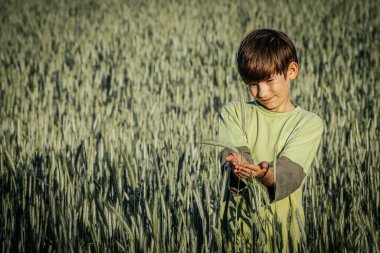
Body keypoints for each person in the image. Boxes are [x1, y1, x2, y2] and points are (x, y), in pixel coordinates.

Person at [218, 28, 323, 252]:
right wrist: (237, 164)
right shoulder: (234, 112)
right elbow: (234, 152)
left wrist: (264, 174)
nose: (261, 91)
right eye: (253, 84)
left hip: (283, 233)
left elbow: (290, 172)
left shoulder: (308, 123)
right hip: (237, 230)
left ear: (292, 70)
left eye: (269, 80)